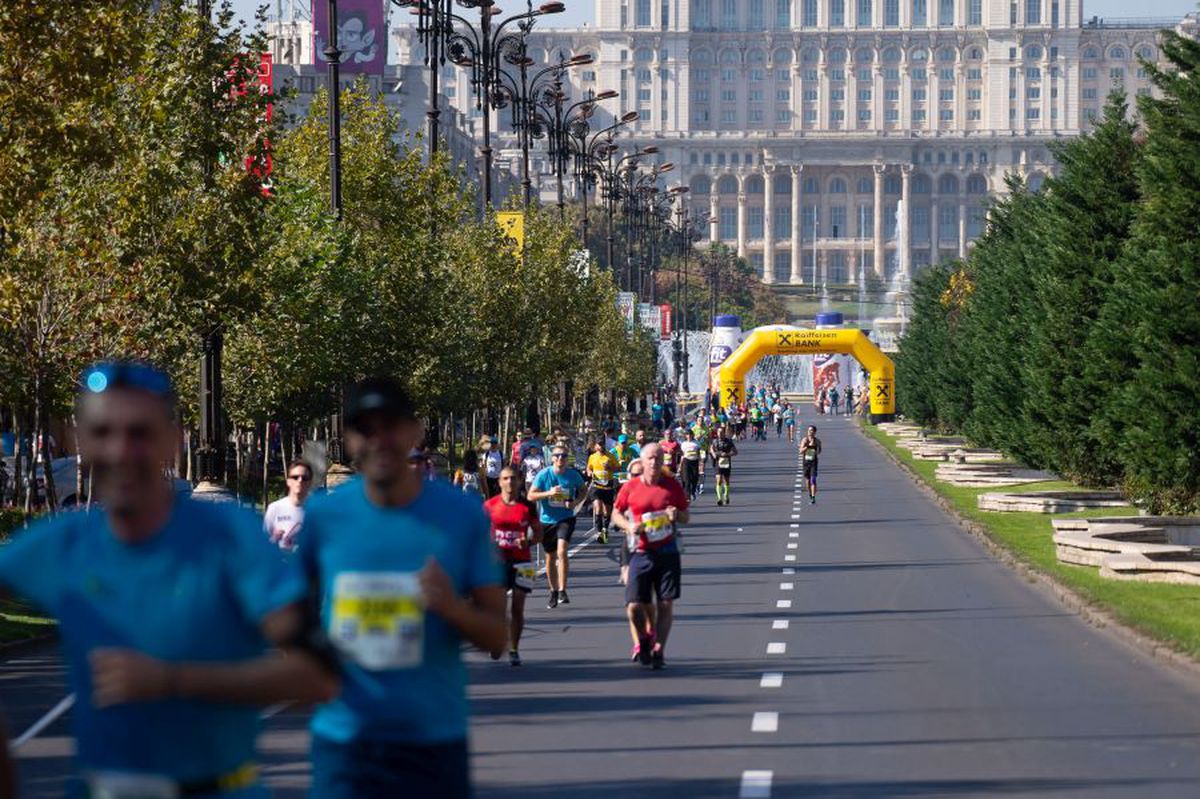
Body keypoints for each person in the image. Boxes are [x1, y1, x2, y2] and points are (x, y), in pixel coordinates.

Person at [0, 361, 339, 796]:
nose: (121, 450)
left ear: (171, 441)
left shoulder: (228, 538)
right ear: (82, 441)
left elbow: (318, 676)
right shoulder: (61, 544)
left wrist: (172, 680)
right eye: (103, 433)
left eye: (140, 433)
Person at [301, 377, 506, 799]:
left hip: (432, 742)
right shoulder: (323, 518)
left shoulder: (462, 516)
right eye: (365, 429)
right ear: (348, 438)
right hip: (345, 743)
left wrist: (451, 607)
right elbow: (290, 621)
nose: (380, 440)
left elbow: (497, 637)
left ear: (414, 432)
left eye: (391, 426)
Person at [612, 443, 690, 670]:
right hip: (641, 552)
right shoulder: (631, 487)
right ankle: (645, 639)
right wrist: (628, 526)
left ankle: (659, 650)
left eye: (658, 458)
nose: (654, 462)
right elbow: (616, 512)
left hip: (667, 551)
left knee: (665, 603)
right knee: (635, 605)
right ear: (642, 461)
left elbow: (686, 517)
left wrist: (677, 514)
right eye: (650, 458)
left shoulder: (672, 486)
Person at [484, 468, 541, 666]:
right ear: (499, 482)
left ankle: (514, 649)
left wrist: (529, 542)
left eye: (513, 478)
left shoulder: (527, 506)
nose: (509, 482)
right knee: (499, 607)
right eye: (505, 478)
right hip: (497, 562)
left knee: (518, 607)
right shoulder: (489, 506)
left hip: (523, 562)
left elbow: (538, 533)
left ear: (519, 481)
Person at [527, 444, 587, 609]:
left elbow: (583, 490)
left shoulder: (573, 475)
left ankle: (562, 590)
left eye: (564, 456)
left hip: (566, 518)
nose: (560, 458)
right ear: (552, 458)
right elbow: (530, 495)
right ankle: (553, 591)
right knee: (550, 557)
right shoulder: (543, 475)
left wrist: (575, 502)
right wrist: (549, 493)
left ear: (567, 459)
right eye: (557, 455)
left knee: (562, 551)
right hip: (546, 521)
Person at [265, 457, 315, 551]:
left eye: (304, 478)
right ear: (288, 481)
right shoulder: (274, 508)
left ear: (310, 482)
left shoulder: (317, 510)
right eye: (295, 477)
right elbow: (262, 545)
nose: (300, 481)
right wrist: (273, 539)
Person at [586, 441, 620, 544]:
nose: (600, 447)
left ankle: (605, 529)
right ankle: (599, 531)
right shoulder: (592, 457)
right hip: (596, 486)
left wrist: (610, 467)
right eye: (599, 444)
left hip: (608, 487)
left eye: (602, 444)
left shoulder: (610, 456)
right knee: (598, 507)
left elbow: (618, 468)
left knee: (607, 511)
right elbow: (588, 468)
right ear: (595, 445)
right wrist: (590, 472)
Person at [710, 424, 739, 507]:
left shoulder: (729, 441)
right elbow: (711, 449)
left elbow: (735, 452)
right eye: (718, 432)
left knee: (726, 480)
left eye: (721, 432)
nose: (720, 434)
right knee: (718, 480)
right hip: (717, 462)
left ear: (724, 433)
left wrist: (727, 454)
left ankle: (726, 495)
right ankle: (719, 498)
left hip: (726, 462)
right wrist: (714, 453)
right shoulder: (714, 441)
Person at [799, 424, 823, 504]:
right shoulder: (805, 440)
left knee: (813, 480)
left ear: (815, 432)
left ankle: (813, 497)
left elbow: (819, 451)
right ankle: (810, 493)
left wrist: (817, 449)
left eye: (811, 430)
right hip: (806, 462)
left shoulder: (817, 441)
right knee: (808, 481)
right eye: (809, 430)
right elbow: (801, 451)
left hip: (813, 462)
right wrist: (808, 446)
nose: (810, 432)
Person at [678, 428, 702, 501]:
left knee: (695, 478)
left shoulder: (697, 443)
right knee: (687, 479)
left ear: (692, 435)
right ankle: (687, 495)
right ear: (685, 436)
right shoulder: (683, 444)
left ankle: (693, 492)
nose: (689, 436)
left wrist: (701, 464)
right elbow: (682, 455)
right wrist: (679, 466)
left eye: (690, 434)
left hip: (694, 461)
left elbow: (699, 454)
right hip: (686, 461)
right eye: (687, 435)